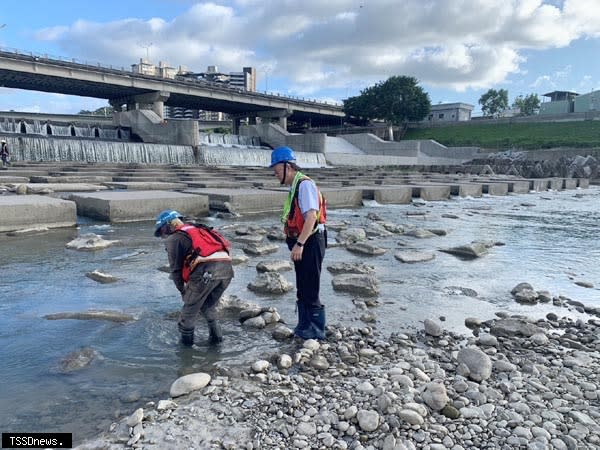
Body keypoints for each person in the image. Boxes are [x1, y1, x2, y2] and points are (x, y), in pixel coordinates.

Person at [269, 146, 327, 340]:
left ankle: (316, 331)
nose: (276, 175)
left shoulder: (304, 185)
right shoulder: (296, 186)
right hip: (304, 241)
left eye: (277, 171)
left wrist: (299, 244)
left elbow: (311, 217)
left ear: (288, 166)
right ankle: (304, 326)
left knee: (310, 285)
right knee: (303, 285)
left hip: (310, 241)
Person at [154, 209, 234, 346]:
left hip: (206, 272)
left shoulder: (174, 238)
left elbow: (176, 269)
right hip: (227, 270)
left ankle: (186, 356)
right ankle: (216, 345)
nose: (163, 235)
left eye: (162, 231)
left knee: (187, 315)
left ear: (169, 225)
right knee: (208, 306)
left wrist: (183, 291)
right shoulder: (197, 228)